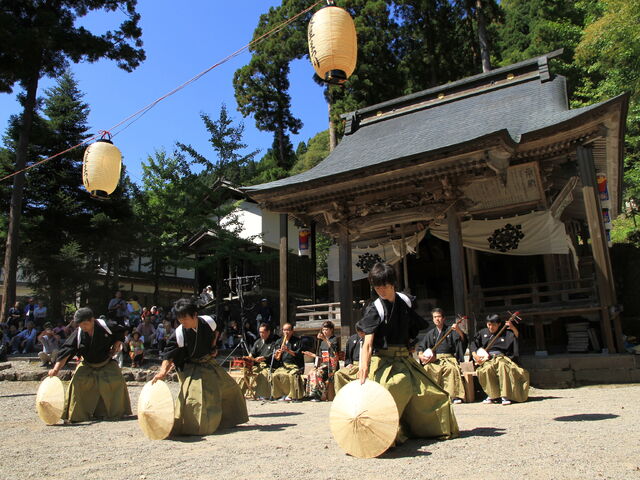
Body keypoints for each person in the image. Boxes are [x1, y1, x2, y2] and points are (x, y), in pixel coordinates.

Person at [358, 262, 459, 443]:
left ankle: (422, 429)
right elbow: (368, 342)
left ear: (393, 284)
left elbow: (411, 326)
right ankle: (386, 434)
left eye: (385, 286)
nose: (381, 290)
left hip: (405, 359)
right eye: (377, 287)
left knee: (434, 395)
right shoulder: (375, 308)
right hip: (384, 361)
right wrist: (364, 365)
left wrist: (412, 344)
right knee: (392, 388)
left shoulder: (405, 301)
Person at [153, 298, 248, 436]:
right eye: (180, 319)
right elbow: (169, 354)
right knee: (195, 396)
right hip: (189, 366)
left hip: (207, 361)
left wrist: (213, 344)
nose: (182, 322)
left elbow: (218, 327)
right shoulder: (179, 334)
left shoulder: (209, 321)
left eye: (185, 318)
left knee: (229, 387)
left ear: (195, 315)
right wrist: (163, 372)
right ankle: (192, 427)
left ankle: (227, 420)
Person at [48, 307, 131, 422]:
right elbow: (67, 351)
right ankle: (76, 415)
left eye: (85, 324)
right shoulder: (79, 333)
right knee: (76, 383)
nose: (83, 327)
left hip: (106, 362)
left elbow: (122, 331)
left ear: (92, 320)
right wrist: (56, 369)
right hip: (87, 363)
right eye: (80, 325)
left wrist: (118, 342)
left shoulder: (106, 326)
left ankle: (117, 413)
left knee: (117, 381)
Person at [471, 313, 529, 405]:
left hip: (501, 357)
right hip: (487, 358)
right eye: (489, 324)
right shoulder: (482, 333)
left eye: (494, 325)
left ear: (499, 324)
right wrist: (475, 355)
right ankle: (492, 395)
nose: (491, 327)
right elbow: (474, 345)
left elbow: (517, 338)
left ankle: (505, 395)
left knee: (503, 367)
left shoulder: (506, 333)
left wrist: (513, 328)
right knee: (486, 369)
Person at [416, 308, 467, 404]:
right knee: (427, 368)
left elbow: (462, 340)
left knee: (451, 369)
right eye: (435, 317)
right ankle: (432, 396)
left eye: (439, 316)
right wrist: (421, 355)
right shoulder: (431, 334)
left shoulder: (450, 330)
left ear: (443, 318)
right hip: (435, 359)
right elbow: (421, 347)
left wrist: (458, 330)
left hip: (448, 358)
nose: (437, 319)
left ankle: (454, 396)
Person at [302, 321, 339, 401]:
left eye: (326, 330)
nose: (324, 332)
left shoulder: (334, 339)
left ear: (331, 330)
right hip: (323, 364)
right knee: (311, 372)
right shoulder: (322, 342)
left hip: (331, 366)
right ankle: (311, 394)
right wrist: (312, 355)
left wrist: (325, 339)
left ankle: (320, 394)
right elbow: (320, 357)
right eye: (323, 330)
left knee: (317, 373)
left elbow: (334, 350)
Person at [244, 322, 278, 399]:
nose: (261, 334)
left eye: (263, 332)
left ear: (268, 332)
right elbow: (252, 354)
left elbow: (274, 354)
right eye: (260, 332)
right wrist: (249, 358)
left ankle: (262, 394)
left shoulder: (273, 342)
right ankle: (247, 392)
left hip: (267, 365)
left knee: (264, 374)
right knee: (246, 372)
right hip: (257, 364)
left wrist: (264, 358)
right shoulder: (258, 342)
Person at [272, 323, 305, 402]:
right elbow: (276, 357)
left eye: (288, 330)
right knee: (275, 375)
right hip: (283, 365)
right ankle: (280, 394)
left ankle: (292, 395)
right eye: (284, 330)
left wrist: (288, 350)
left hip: (294, 365)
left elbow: (298, 354)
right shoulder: (279, 341)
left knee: (292, 375)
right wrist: (276, 354)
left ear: (292, 331)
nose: (286, 332)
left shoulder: (297, 341)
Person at [334, 323, 365, 391]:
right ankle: (342, 394)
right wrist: (348, 364)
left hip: (366, 364)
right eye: (359, 332)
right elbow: (348, 354)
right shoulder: (352, 339)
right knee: (338, 374)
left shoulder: (370, 337)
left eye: (362, 332)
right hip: (354, 365)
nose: (361, 334)